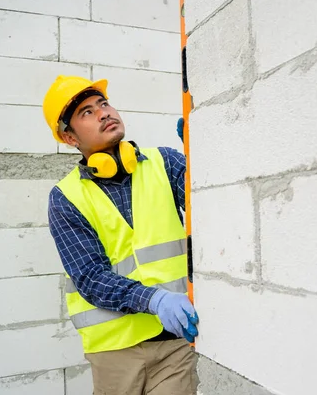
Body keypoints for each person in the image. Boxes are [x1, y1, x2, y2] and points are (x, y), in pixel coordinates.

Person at [42, 75, 199, 395]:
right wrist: (155, 299)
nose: (103, 113)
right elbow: (89, 276)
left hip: (175, 342)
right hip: (114, 353)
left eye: (104, 103)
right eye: (86, 112)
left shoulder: (165, 163)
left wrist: (205, 155)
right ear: (69, 137)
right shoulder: (66, 197)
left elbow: (214, 209)